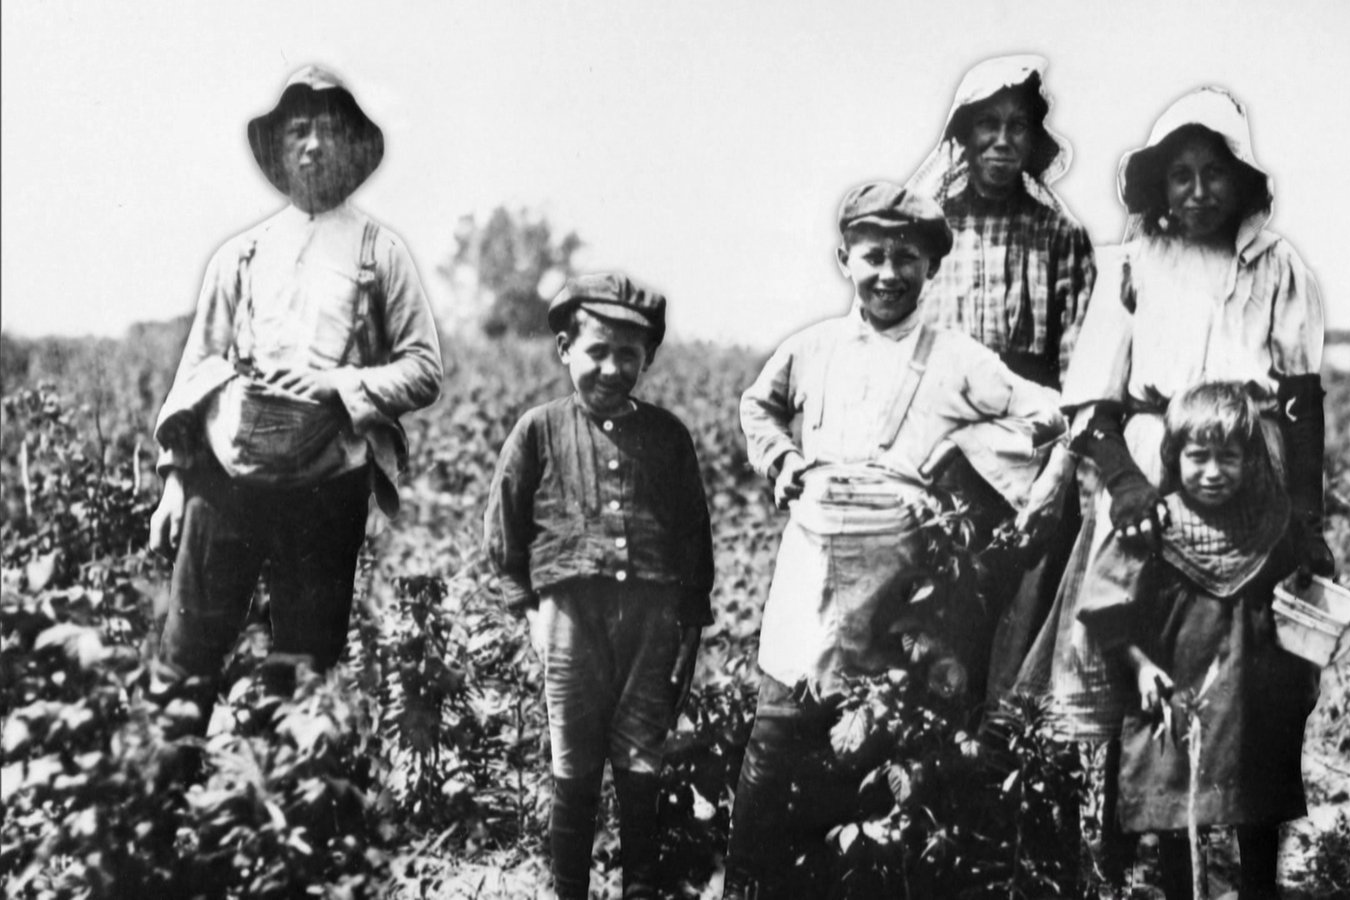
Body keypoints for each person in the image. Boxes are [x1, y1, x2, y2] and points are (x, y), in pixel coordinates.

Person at [1012, 85, 1333, 879]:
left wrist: (1301, 512)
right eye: (1180, 175)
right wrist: (1124, 485)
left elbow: (1300, 397)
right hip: (1159, 477)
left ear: (1244, 181)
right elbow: (1091, 398)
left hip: (1247, 481)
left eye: (1213, 173)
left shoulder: (1276, 265)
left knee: (1255, 673)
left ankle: (1256, 858)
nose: (1197, 192)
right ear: (1158, 184)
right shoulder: (1134, 263)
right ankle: (1138, 859)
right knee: (1140, 664)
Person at [723, 183, 1064, 900]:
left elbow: (1048, 416)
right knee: (782, 726)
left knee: (891, 733)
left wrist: (966, 447)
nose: (888, 273)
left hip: (903, 580)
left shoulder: (958, 358)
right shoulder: (811, 348)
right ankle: (751, 885)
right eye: (873, 255)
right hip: (812, 562)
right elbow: (759, 406)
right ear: (844, 258)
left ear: (930, 268)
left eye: (906, 257)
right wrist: (782, 459)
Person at [147, 65, 442, 740]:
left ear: (353, 149)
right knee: (185, 660)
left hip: (325, 484)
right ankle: (162, 824)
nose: (313, 145)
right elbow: (196, 371)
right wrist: (173, 484)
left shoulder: (381, 253)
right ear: (280, 150)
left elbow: (424, 370)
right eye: (299, 131)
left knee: (305, 669)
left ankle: (283, 822)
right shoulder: (243, 255)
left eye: (329, 131)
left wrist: (344, 386)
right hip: (226, 475)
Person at [483, 273, 714, 900]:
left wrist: (690, 622)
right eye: (597, 352)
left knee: (642, 746)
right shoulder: (539, 427)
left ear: (647, 358)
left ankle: (639, 884)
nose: (613, 369)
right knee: (574, 752)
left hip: (651, 616)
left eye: (629, 355)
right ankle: (570, 890)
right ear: (564, 348)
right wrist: (527, 608)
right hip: (569, 615)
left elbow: (693, 531)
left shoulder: (667, 436)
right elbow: (503, 526)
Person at [1078, 381, 1318, 899]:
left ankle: (1259, 891)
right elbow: (1105, 607)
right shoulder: (1155, 525)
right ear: (1173, 456)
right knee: (1178, 800)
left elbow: (1300, 592)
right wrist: (1140, 666)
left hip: (1251, 698)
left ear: (1251, 460)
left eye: (1227, 457)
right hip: (1179, 693)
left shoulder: (1270, 520)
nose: (1213, 472)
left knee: (1256, 801)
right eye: (1198, 456)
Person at [907, 55, 1096, 698]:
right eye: (987, 123)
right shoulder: (927, 229)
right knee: (936, 633)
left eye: (1018, 126)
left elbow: (1082, 375)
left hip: (1031, 457)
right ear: (962, 135)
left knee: (1021, 639)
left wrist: (1059, 476)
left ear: (1034, 139)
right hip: (941, 456)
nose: (1003, 140)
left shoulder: (1059, 234)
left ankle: (1008, 782)